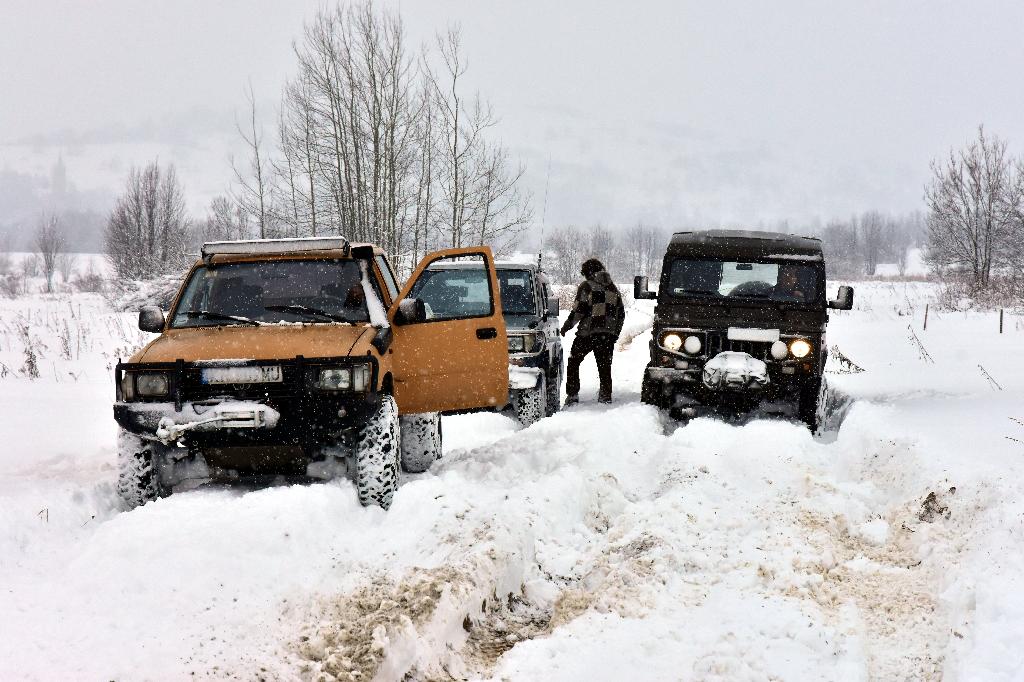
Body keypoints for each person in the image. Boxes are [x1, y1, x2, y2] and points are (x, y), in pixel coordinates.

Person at [560, 258, 625, 405]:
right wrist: (614, 333)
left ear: (587, 272)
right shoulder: (613, 288)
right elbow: (621, 314)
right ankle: (605, 396)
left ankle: (572, 395)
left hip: (588, 333)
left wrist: (566, 326)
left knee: (574, 361)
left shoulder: (587, 286)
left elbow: (579, 310)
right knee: (604, 366)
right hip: (607, 335)